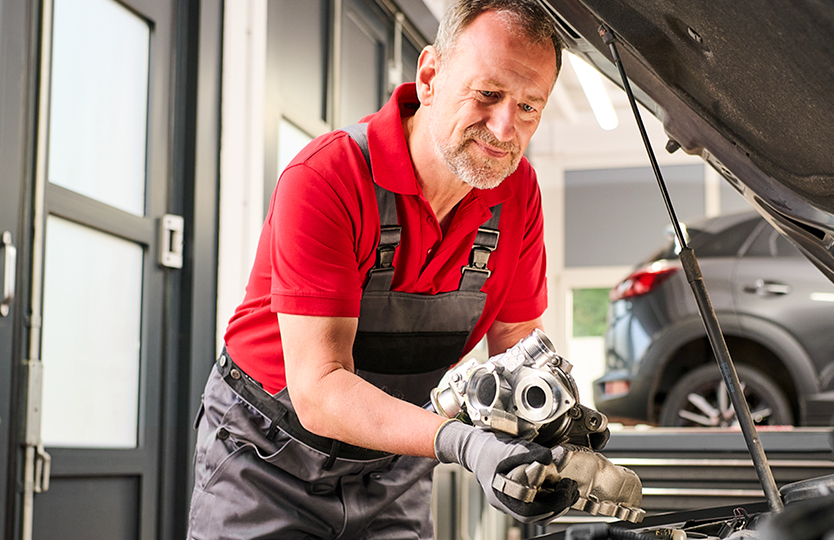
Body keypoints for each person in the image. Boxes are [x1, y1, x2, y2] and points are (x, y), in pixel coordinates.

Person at [188, 1, 576, 538]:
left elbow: (516, 349)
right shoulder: (328, 176)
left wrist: (551, 430)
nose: (505, 128)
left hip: (393, 468)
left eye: (529, 107)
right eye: (488, 95)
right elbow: (320, 389)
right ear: (430, 76)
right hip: (268, 457)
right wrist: (465, 442)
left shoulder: (517, 193)